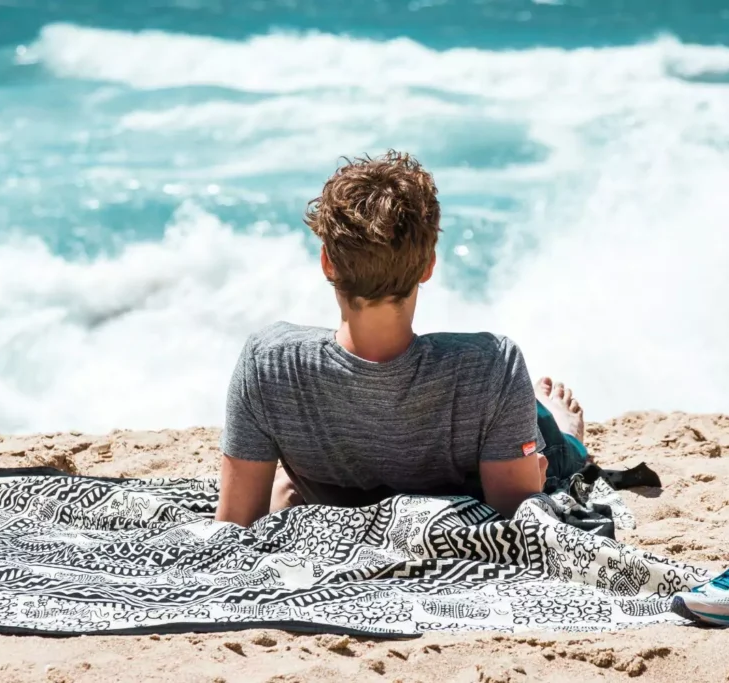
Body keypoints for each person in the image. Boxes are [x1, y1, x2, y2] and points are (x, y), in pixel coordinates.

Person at [216, 151, 589, 527]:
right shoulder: (491, 363)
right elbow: (515, 514)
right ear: (428, 265)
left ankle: (301, 481)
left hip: (328, 483)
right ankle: (566, 433)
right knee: (551, 444)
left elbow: (234, 524)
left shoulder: (268, 363)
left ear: (327, 262)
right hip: (484, 449)